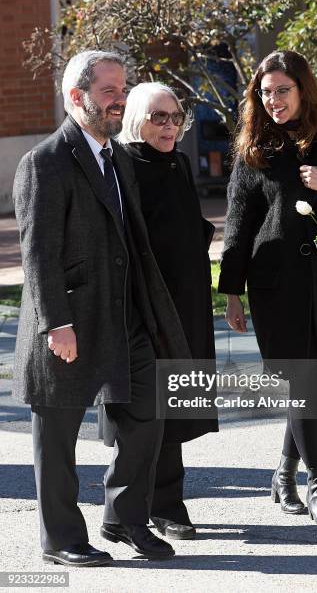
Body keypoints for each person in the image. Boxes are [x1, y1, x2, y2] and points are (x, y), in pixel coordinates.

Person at [13, 50, 192, 565]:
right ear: (78, 97)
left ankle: (124, 517)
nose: (120, 99)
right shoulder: (44, 162)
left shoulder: (117, 160)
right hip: (68, 322)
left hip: (124, 317)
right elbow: (38, 252)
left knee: (148, 416)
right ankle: (62, 540)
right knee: (57, 437)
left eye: (122, 88)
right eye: (109, 90)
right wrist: (57, 324)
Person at [218, 50, 317, 525]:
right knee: (300, 380)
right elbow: (239, 225)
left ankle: (284, 473)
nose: (273, 101)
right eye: (264, 93)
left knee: (309, 383)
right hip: (276, 286)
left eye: (282, 90)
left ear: (303, 89)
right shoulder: (255, 150)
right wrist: (231, 291)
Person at [108, 81, 217, 539]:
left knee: (177, 402)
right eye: (159, 117)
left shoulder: (179, 161)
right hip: (148, 305)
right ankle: (159, 505)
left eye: (175, 117)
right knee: (151, 404)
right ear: (136, 119)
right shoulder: (123, 164)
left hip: (187, 299)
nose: (170, 125)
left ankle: (168, 500)